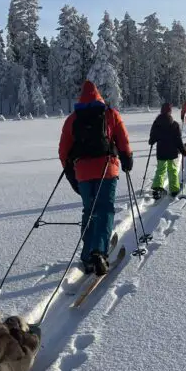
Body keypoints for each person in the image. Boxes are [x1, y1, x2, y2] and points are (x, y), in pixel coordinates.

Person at [59, 80, 133, 276]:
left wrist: (71, 174)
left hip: (82, 172)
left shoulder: (73, 119)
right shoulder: (110, 114)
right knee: (105, 210)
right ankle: (99, 251)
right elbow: (123, 139)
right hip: (106, 170)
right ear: (99, 95)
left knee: (89, 210)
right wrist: (127, 159)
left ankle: (87, 254)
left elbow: (63, 150)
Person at [149, 103, 186, 199]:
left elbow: (152, 138)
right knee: (172, 170)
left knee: (160, 170)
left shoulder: (156, 123)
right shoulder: (174, 124)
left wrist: (151, 141)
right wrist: (183, 150)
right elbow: (178, 140)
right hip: (172, 152)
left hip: (161, 152)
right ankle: (174, 189)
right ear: (170, 112)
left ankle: (157, 188)